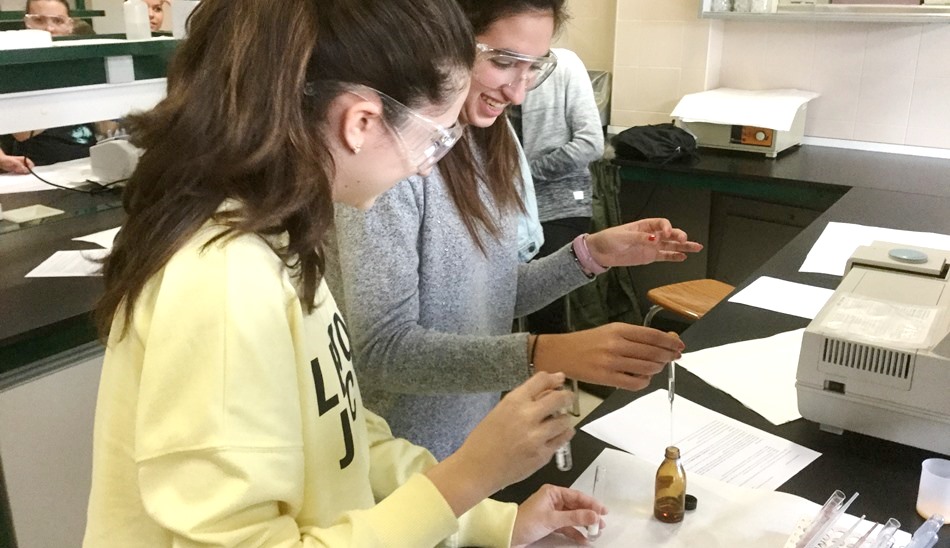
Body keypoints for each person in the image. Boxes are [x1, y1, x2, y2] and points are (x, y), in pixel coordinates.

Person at [84, 0, 606, 546]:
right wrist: (470, 475)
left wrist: (493, 520)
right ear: (360, 122)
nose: (430, 162)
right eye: (436, 137)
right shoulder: (223, 281)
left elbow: (346, 432)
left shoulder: (282, 238)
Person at [327, 0, 703, 460]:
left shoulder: (489, 141)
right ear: (443, 45)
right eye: (503, 63)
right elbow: (381, 351)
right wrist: (543, 352)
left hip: (471, 438)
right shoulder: (390, 162)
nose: (518, 93)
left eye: (533, 67)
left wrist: (592, 254)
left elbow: (491, 295)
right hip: (399, 456)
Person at [514, 47, 605, 335]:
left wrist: (525, 176)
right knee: (490, 298)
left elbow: (591, 143)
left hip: (558, 203)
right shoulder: (483, 69)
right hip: (504, 203)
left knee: (545, 304)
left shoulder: (564, 65)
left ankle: (550, 375)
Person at [0, 0, 96, 171]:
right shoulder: (13, 68)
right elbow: (21, 133)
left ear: (69, 25)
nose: (49, 29)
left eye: (58, 21)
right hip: (38, 169)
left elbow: (106, 125)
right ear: (26, 23)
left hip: (88, 164)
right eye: (39, 20)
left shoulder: (82, 63)